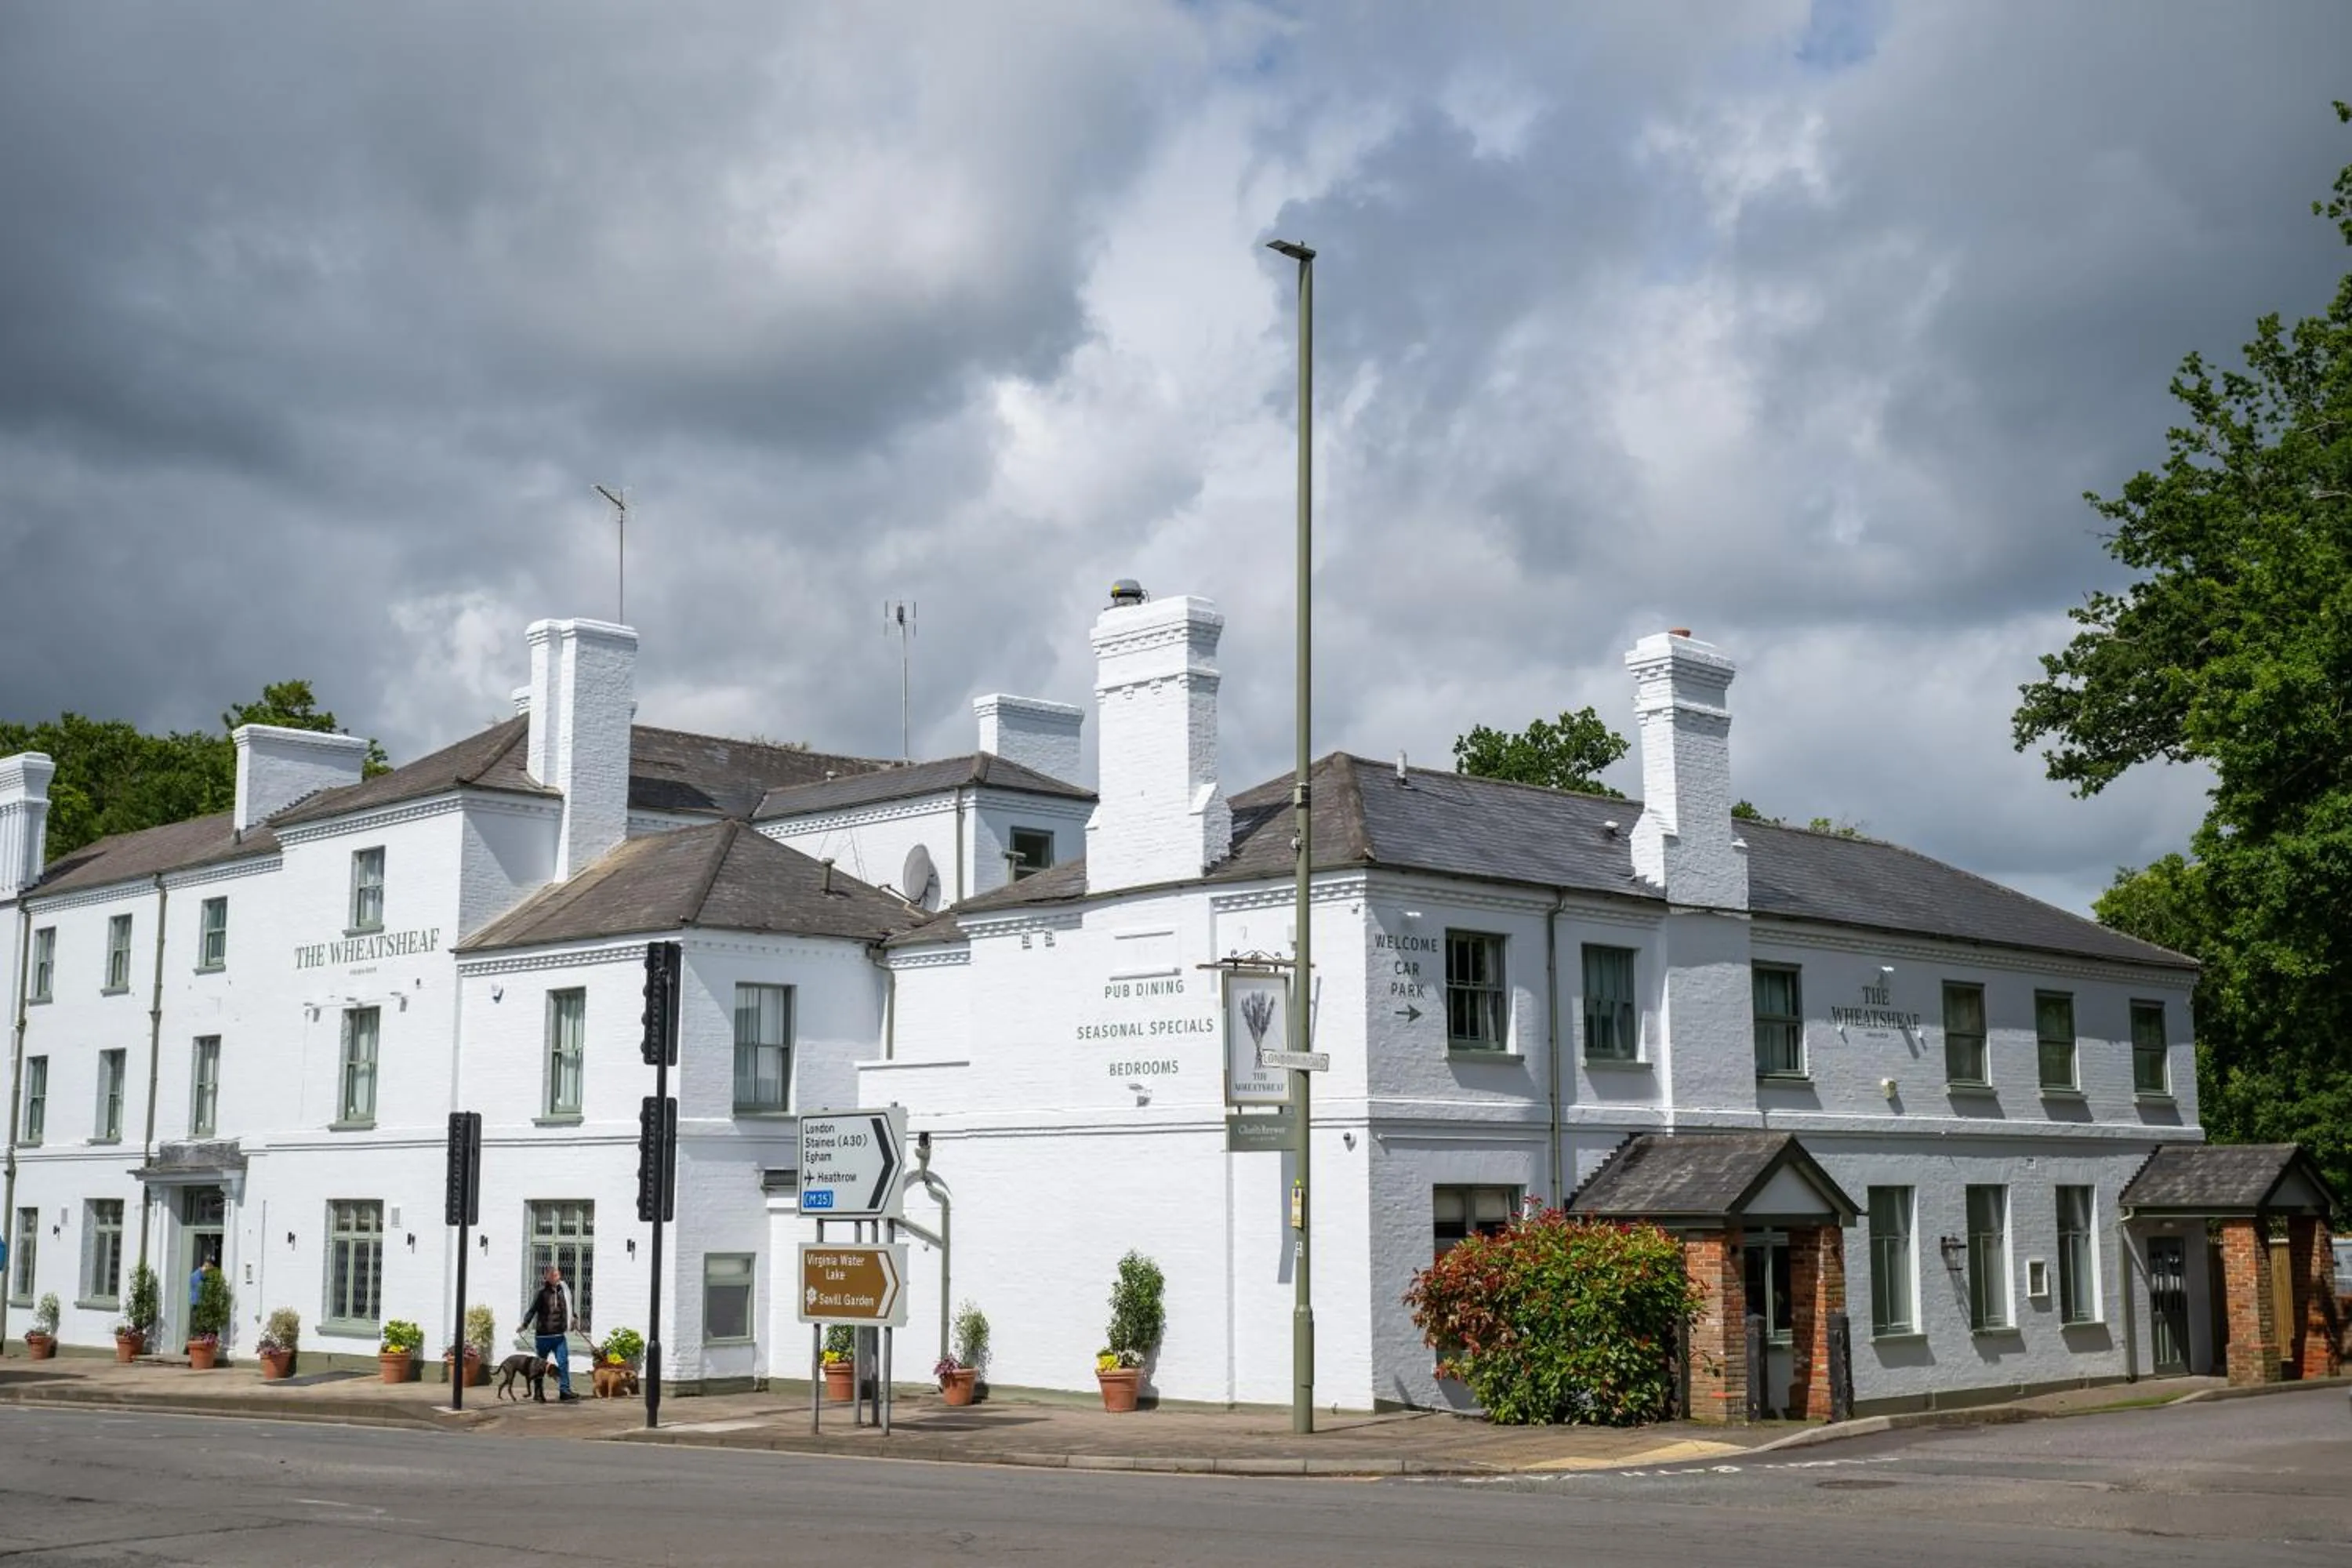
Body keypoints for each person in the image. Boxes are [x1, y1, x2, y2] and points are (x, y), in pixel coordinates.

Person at [518, 1264, 580, 1403]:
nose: (559, 1277)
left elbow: (568, 1308)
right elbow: (532, 1310)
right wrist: (524, 1325)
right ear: (548, 1277)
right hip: (543, 1337)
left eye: (559, 1275)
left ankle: (565, 1391)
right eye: (555, 1275)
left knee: (563, 1362)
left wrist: (574, 1318)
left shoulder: (563, 1291)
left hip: (559, 1336)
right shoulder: (541, 1293)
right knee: (539, 1367)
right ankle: (538, 1393)